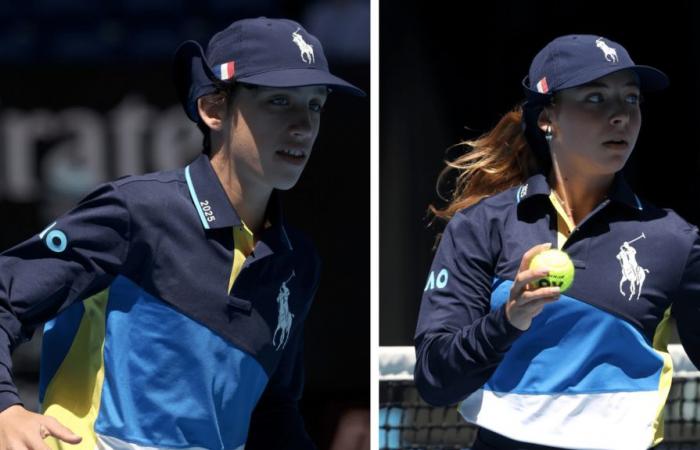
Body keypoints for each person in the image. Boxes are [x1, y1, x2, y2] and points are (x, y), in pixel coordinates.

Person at [0, 17, 364, 450]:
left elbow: (271, 411)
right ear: (213, 109)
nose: (303, 125)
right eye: (279, 101)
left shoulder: (297, 265)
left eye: (315, 105)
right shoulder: (138, 211)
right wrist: (5, 409)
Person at [414, 34, 700, 450]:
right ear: (549, 117)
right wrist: (508, 319)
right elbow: (435, 382)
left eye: (631, 99)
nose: (621, 114)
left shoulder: (675, 240)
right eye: (597, 98)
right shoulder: (480, 225)